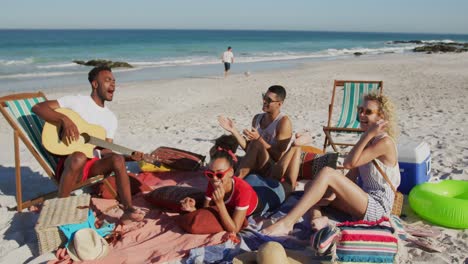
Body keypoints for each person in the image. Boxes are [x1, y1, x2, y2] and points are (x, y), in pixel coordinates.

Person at [262, 93, 400, 236]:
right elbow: (352, 176)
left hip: (378, 208)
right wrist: (333, 194)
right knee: (311, 187)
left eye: (368, 112)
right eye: (361, 110)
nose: (362, 115)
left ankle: (287, 223)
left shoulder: (385, 142)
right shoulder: (368, 141)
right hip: (363, 201)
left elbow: (348, 163)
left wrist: (367, 135)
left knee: (327, 173)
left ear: (381, 117)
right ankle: (317, 218)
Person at [32, 66, 145, 224]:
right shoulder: (76, 101)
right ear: (95, 84)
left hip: (92, 166)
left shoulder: (111, 118)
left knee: (117, 159)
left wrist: (129, 157)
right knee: (79, 156)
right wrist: (65, 120)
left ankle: (127, 209)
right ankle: (62, 208)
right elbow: (38, 107)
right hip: (70, 166)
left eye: (114, 81)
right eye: (107, 80)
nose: (112, 84)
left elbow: (105, 150)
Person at [218, 85, 293, 180]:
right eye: (264, 97)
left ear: (279, 104)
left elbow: (279, 157)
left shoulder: (283, 122)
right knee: (225, 155)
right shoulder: (257, 118)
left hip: (273, 168)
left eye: (269, 100)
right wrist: (233, 130)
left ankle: (236, 181)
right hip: (258, 162)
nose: (264, 101)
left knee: (256, 144)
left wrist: (259, 139)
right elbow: (249, 150)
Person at [180, 149, 259, 233]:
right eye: (210, 174)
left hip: (262, 199)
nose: (214, 178)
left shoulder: (243, 191)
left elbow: (234, 229)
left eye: (219, 174)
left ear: (231, 172)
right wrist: (193, 210)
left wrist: (220, 203)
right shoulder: (212, 182)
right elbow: (206, 210)